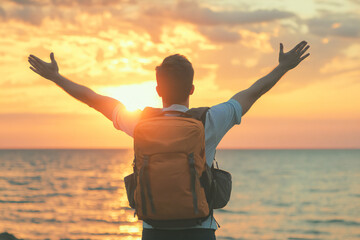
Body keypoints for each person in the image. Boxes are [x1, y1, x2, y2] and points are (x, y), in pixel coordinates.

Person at [28, 41, 310, 240]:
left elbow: (96, 101)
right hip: (200, 230)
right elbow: (250, 94)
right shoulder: (209, 121)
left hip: (154, 230)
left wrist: (57, 78)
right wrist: (282, 68)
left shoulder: (140, 124)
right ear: (192, 88)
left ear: (158, 89)